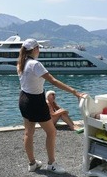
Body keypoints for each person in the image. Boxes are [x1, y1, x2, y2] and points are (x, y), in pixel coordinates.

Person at [17, 38, 85, 174]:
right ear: (35, 49)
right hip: (36, 101)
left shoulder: (21, 63)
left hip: (24, 99)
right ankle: (51, 164)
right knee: (51, 132)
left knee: (28, 133)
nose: (39, 50)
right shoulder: (35, 64)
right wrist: (74, 92)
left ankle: (32, 164)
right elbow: (53, 81)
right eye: (39, 48)